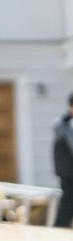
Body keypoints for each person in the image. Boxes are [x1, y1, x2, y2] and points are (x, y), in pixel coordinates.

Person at [54, 93, 73, 228]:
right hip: (68, 171)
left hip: (66, 170)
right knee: (68, 201)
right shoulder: (63, 123)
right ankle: (59, 229)